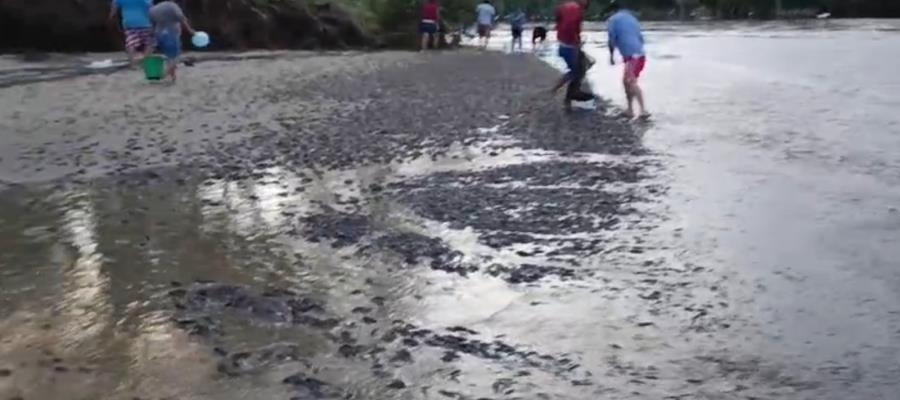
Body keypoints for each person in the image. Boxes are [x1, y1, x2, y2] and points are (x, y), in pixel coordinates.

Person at [607, 0, 648, 119]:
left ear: (612, 10)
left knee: (630, 81)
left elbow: (611, 41)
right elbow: (641, 38)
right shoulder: (632, 19)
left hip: (632, 56)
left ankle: (643, 110)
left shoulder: (613, 20)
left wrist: (611, 56)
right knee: (627, 81)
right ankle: (630, 109)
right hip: (638, 54)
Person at [551, 0, 594, 111]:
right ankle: (561, 92)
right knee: (577, 71)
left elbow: (560, 19)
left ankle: (567, 95)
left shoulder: (566, 6)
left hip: (564, 44)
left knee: (583, 66)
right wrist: (576, 41)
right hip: (570, 46)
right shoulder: (576, 10)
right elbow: (571, 27)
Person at [150, 0, 196, 82]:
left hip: (159, 33)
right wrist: (190, 30)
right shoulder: (173, 6)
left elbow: (151, 19)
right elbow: (181, 18)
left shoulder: (155, 8)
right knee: (176, 57)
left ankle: (172, 77)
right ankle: (164, 74)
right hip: (171, 33)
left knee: (169, 56)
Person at [108, 0, 154, 66]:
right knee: (150, 43)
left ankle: (133, 63)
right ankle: (145, 61)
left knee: (130, 43)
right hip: (145, 22)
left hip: (129, 23)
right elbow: (151, 9)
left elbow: (114, 6)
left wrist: (111, 16)